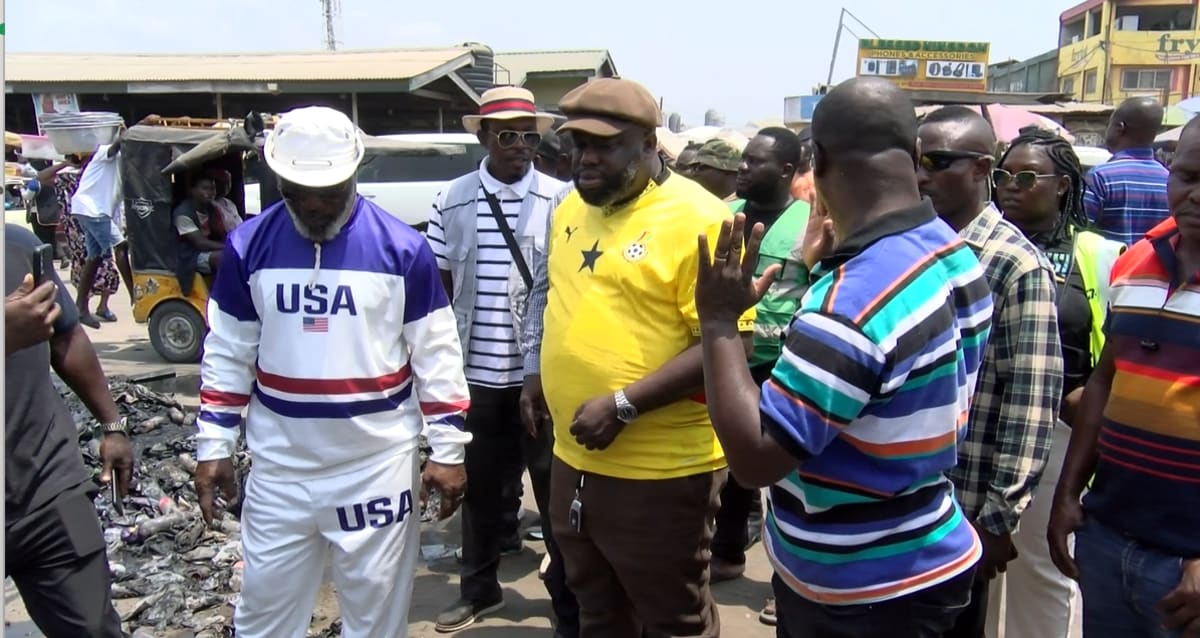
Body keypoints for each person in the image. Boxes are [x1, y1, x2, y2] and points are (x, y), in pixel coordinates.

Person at [694, 76, 992, 638]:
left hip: (858, 588)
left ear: (818, 161)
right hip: (929, 550)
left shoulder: (853, 299)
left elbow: (756, 460)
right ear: (914, 155)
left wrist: (717, 324)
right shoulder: (952, 252)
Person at [192, 106, 472, 638]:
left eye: (330, 190)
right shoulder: (248, 248)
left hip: (376, 467)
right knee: (263, 617)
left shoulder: (403, 250)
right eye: (299, 191)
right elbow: (227, 353)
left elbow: (436, 355)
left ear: (354, 175)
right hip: (280, 469)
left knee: (375, 618)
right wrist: (213, 448)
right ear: (279, 179)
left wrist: (448, 452)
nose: (316, 204)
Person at [522, 77, 754, 637]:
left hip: (661, 472)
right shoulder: (571, 209)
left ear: (650, 144)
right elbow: (559, 301)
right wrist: (535, 378)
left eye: (605, 145)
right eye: (577, 145)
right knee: (596, 610)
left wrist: (624, 404)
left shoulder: (702, 220)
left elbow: (729, 344)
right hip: (573, 459)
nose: (585, 160)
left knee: (671, 618)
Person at [424, 86, 577, 634]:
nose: (520, 145)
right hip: (476, 378)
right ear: (484, 137)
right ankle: (479, 591)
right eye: (507, 134)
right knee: (481, 494)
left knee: (556, 499)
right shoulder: (453, 200)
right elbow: (438, 292)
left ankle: (567, 606)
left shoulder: (564, 200)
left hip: (543, 380)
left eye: (530, 135)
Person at [1048, 115, 1200, 638]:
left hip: (1188, 567)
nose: (1194, 195)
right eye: (1186, 176)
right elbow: (1104, 383)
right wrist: (1068, 494)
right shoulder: (1136, 261)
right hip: (1108, 533)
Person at [916, 106, 1064, 638]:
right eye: (915, 160)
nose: (921, 174)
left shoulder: (1013, 264)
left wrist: (999, 518)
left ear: (981, 169)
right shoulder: (909, 246)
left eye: (937, 161)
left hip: (964, 509)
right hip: (899, 505)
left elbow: (1030, 400)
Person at [985, 130, 1126, 638]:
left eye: (1027, 177)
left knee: (1043, 568)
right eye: (1003, 177)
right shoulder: (982, 246)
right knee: (983, 565)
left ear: (1063, 184)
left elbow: (1116, 352)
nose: (1010, 188)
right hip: (990, 427)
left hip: (1061, 432)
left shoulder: (1099, 254)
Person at [5, 223, 135, 638]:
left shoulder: (17, 246)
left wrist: (113, 426)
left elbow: (67, 338)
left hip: (46, 485)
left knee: (94, 628)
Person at [709, 126, 809, 585]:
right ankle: (727, 552)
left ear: (787, 171)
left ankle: (782, 580)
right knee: (729, 467)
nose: (742, 168)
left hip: (783, 363)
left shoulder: (809, 223)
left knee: (789, 478)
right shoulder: (721, 214)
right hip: (729, 357)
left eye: (754, 161)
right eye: (743, 159)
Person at [68, 136, 136, 327]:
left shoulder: (123, 167)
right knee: (120, 246)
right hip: (92, 209)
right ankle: (134, 297)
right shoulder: (104, 152)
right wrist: (135, 127)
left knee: (95, 256)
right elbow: (116, 145)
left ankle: (80, 307)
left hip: (90, 209)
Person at [1086, 96, 1171, 246]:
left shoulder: (1100, 177)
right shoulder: (1170, 180)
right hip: (1154, 268)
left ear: (1120, 128)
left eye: (1109, 125)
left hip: (1110, 268)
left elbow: (1079, 232)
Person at [174, 173, 226, 289]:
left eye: (213, 189)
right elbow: (200, 243)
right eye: (205, 189)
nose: (210, 193)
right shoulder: (183, 214)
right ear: (192, 191)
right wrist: (228, 247)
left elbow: (222, 232)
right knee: (223, 257)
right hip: (190, 256)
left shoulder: (212, 209)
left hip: (207, 250)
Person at [209, 168, 245, 232]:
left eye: (228, 182)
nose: (226, 186)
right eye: (222, 183)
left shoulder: (230, 203)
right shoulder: (210, 205)